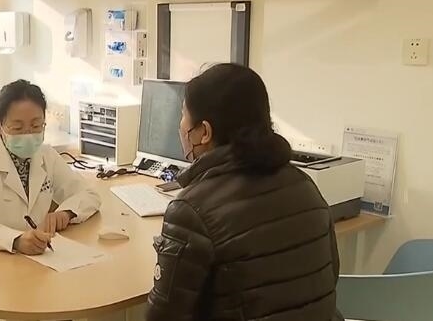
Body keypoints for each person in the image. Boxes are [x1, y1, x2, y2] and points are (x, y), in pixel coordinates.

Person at [147, 64, 343, 321]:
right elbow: (330, 277)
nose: (180, 125)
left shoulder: (191, 210)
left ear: (204, 132)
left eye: (183, 114)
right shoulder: (306, 186)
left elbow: (163, 317)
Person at [0, 79, 101, 255]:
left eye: (36, 125)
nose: (28, 134)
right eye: (18, 127)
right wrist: (15, 240)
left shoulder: (47, 156)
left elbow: (89, 195)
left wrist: (67, 213)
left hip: (29, 258)